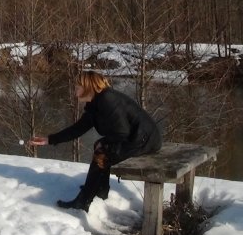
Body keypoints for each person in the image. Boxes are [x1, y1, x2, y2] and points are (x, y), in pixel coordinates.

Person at [29, 71, 162, 212]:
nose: (74, 89)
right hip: (137, 137)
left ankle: (83, 200)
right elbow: (78, 128)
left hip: (144, 140)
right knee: (101, 148)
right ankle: (100, 189)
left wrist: (105, 143)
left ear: (88, 87)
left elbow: (122, 133)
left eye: (77, 86)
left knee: (102, 153)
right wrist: (50, 139)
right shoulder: (95, 103)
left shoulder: (107, 100)